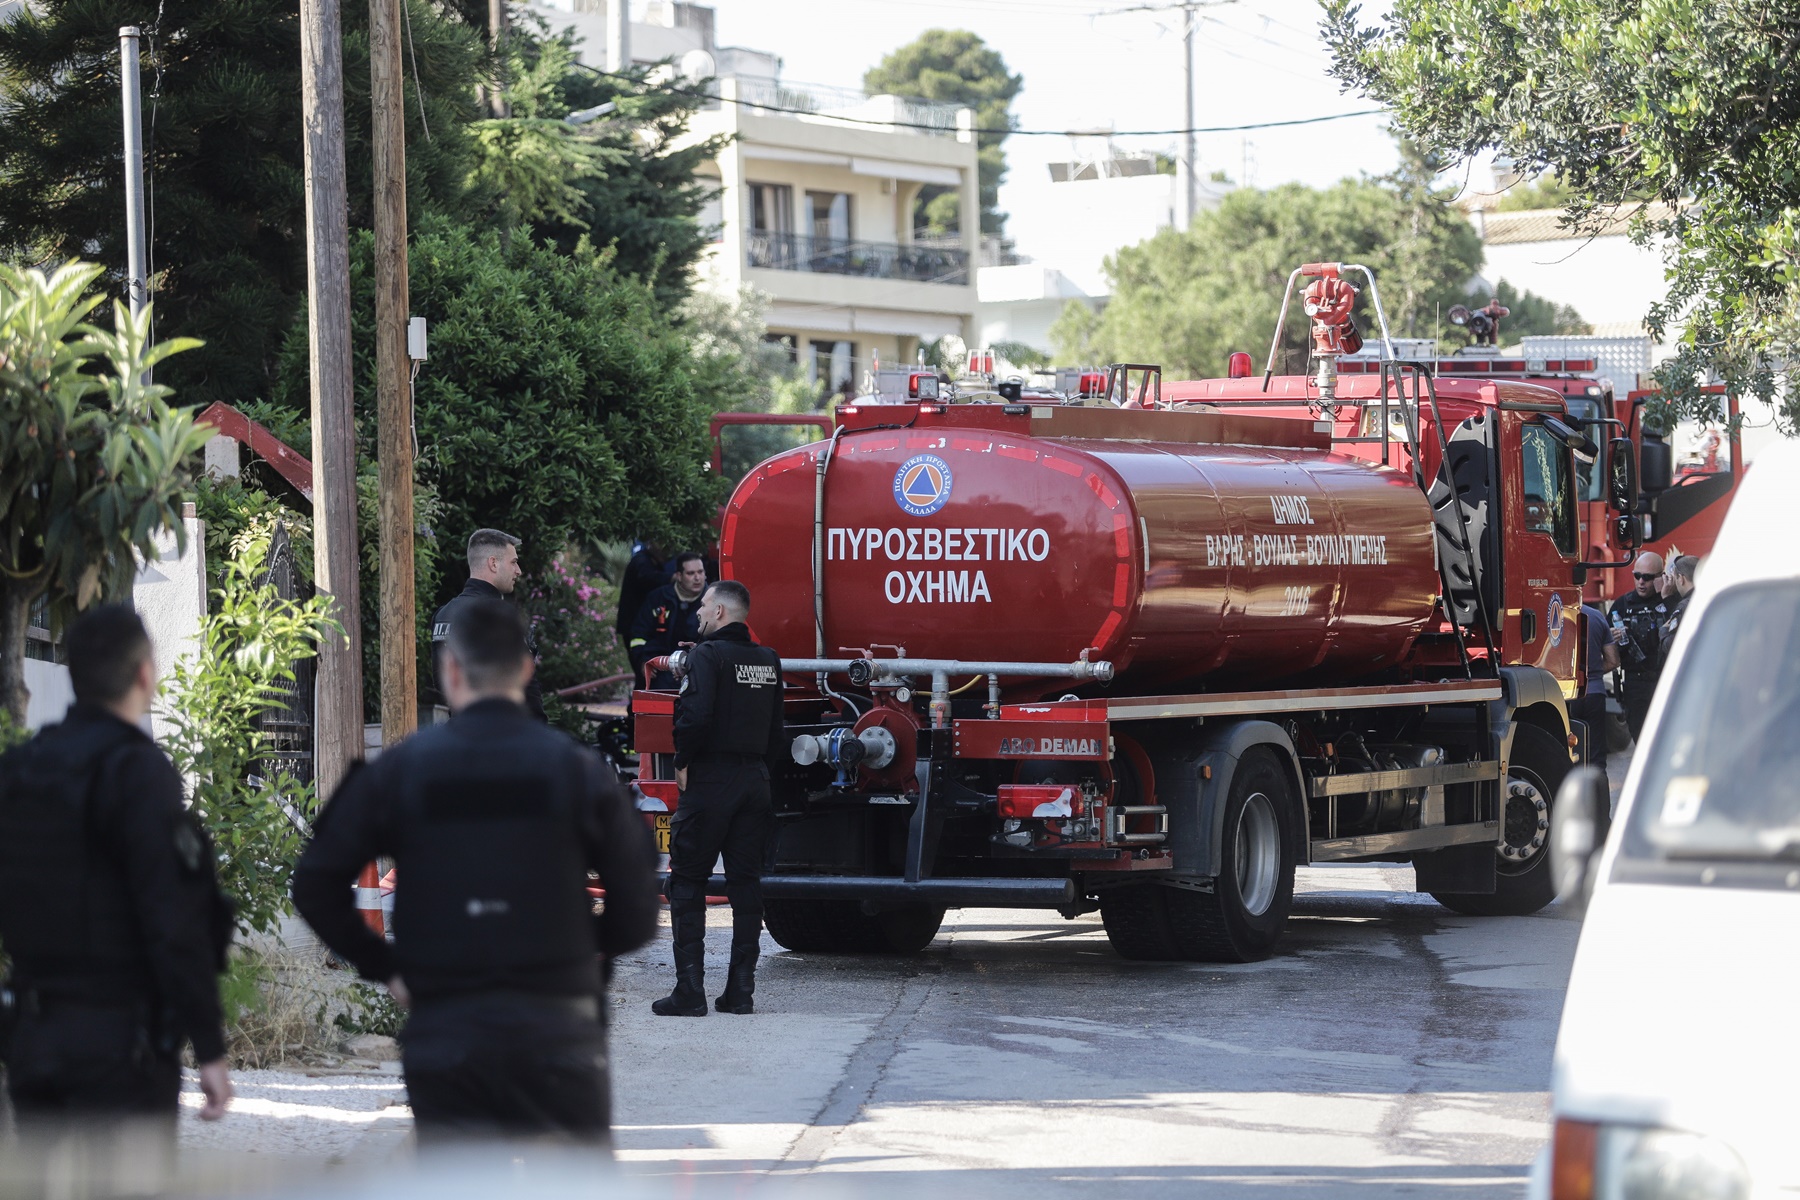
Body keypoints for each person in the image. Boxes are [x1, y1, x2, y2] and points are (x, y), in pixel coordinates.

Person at [292, 598, 658, 1147]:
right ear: (527, 669)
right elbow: (638, 907)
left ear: (452, 671)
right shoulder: (580, 772)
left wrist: (386, 965)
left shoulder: (400, 770)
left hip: (447, 1025)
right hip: (558, 1025)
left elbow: (314, 883)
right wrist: (582, 951)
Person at [0, 605, 233, 1136]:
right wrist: (210, 1048)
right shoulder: (139, 772)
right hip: (118, 1046)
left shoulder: (21, 769)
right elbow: (172, 917)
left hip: (32, 1034)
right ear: (145, 674)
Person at [654, 581, 785, 1018]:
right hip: (754, 780)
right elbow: (775, 731)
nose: (697, 614)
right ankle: (740, 991)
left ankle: (689, 991)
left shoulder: (706, 656)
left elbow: (694, 714)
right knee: (746, 884)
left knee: (687, 881)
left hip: (711, 780)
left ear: (721, 612)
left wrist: (684, 758)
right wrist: (759, 772)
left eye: (704, 607)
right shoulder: (768, 660)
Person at [433, 528, 544, 720]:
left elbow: (439, 682)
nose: (518, 571)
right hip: (502, 733)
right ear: (493, 563)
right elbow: (526, 688)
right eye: (514, 562)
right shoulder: (496, 614)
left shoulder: (443, 613)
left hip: (459, 729)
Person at [1610, 551, 1670, 743]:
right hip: (1636, 684)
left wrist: (1667, 598)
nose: (1641, 582)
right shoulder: (1622, 604)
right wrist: (1612, 638)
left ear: (1661, 577)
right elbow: (1601, 644)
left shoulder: (1669, 602)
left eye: (1647, 577)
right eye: (1637, 576)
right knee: (1641, 739)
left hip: (1666, 681)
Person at [628, 551, 708, 689]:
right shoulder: (658, 598)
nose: (697, 578)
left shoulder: (712, 602)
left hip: (698, 675)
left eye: (700, 572)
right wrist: (642, 661)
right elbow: (638, 635)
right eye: (690, 573)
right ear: (679, 576)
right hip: (659, 673)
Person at [1574, 603, 1620, 766]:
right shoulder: (1596, 616)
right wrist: (1591, 672)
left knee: (1568, 756)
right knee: (1596, 758)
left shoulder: (1550, 615)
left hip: (1565, 697)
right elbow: (1613, 660)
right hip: (1594, 693)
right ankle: (1599, 791)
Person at [614, 539, 669, 648]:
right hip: (635, 623)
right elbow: (647, 577)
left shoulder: (652, 562)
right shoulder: (641, 561)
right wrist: (670, 578)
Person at [1657, 554, 1699, 668]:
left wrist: (1664, 630)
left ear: (1681, 578)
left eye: (1675, 579)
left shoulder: (1684, 605)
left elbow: (1671, 646)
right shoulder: (1712, 599)